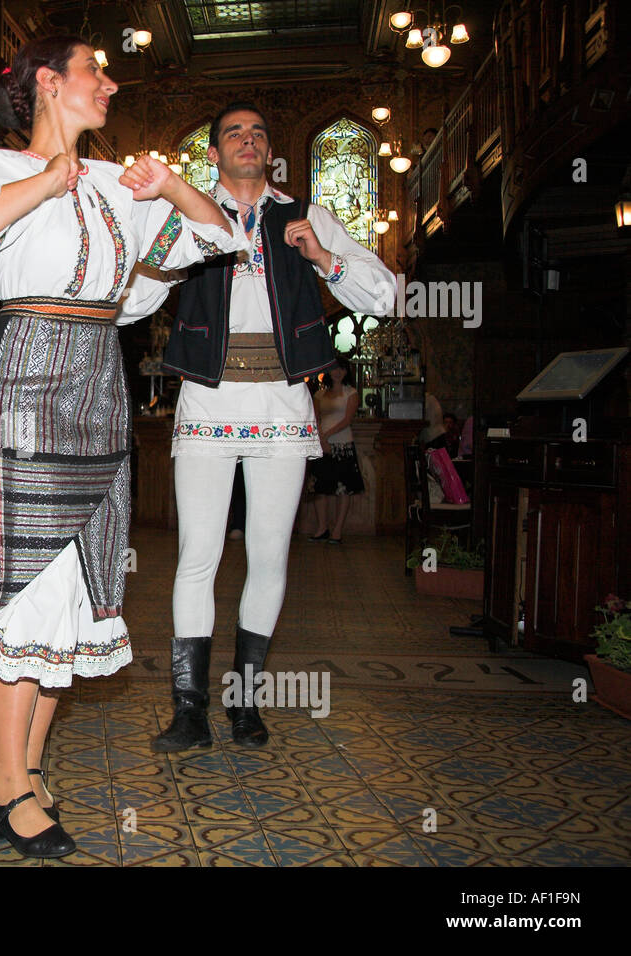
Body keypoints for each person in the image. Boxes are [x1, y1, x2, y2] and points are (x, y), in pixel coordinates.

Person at [0, 36, 244, 858]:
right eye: (95, 69)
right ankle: (5, 781)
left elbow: (219, 236)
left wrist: (169, 185)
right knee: (28, 582)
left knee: (75, 586)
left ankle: (23, 770)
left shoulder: (115, 181)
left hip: (101, 374)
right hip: (26, 368)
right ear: (47, 84)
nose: (112, 80)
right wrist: (50, 176)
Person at [130, 102, 396, 754]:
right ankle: (188, 713)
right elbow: (132, 302)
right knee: (198, 555)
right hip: (208, 406)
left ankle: (245, 706)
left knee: (270, 555)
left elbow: (387, 295)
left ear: (268, 152)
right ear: (213, 155)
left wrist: (325, 256)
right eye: (233, 134)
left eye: (257, 133)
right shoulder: (190, 213)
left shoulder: (303, 216)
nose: (247, 141)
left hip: (281, 408)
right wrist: (174, 247)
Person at [309, 359, 364, 543]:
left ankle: (337, 530)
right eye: (334, 369)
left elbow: (347, 420)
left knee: (344, 489)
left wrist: (327, 435)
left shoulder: (352, 393)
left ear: (346, 371)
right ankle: (321, 527)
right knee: (320, 489)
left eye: (341, 369)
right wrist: (321, 438)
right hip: (322, 445)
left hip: (343, 444)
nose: (337, 372)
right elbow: (315, 419)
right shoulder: (319, 394)